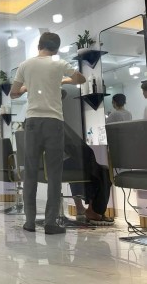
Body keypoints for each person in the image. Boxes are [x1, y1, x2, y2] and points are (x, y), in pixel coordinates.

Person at [10, 32, 86, 235]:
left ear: (39, 45)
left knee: (30, 172)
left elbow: (13, 93)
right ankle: (50, 223)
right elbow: (81, 78)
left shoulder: (25, 65)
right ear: (56, 48)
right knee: (54, 174)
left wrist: (27, 87)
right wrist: (64, 80)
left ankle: (29, 222)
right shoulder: (58, 63)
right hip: (54, 123)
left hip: (32, 122)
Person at [60, 90, 114, 224]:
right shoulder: (53, 122)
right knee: (101, 172)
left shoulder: (44, 121)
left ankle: (89, 209)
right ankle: (94, 211)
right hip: (59, 163)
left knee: (95, 170)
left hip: (60, 161)